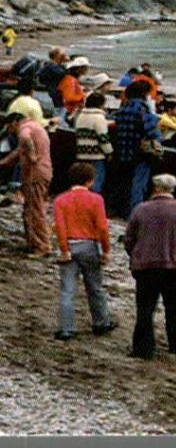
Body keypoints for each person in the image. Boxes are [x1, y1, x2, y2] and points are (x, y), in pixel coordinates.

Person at [123, 172, 176, 359]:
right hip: (174, 266)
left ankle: (143, 349)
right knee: (175, 305)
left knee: (145, 308)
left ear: (155, 188)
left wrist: (135, 255)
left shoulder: (141, 209)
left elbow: (129, 238)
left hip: (146, 265)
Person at [52, 162, 116, 341]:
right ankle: (101, 322)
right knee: (95, 287)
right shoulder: (96, 200)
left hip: (70, 245)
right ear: (90, 181)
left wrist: (64, 249)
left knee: (67, 290)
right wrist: (106, 250)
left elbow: (60, 227)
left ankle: (66, 328)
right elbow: (102, 227)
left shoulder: (61, 200)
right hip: (89, 246)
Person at [0, 109, 54, 255]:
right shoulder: (36, 127)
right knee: (33, 209)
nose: (10, 132)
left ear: (14, 122)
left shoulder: (25, 129)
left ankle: (42, 246)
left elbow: (24, 139)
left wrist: (31, 155)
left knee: (34, 211)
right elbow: (18, 152)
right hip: (42, 173)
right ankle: (35, 243)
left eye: (10, 127)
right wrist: (3, 162)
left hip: (34, 174)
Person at [108, 80, 161, 218]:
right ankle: (134, 214)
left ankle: (118, 209)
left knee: (123, 182)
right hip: (140, 152)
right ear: (144, 94)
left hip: (123, 150)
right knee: (139, 185)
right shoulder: (143, 110)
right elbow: (152, 132)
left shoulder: (123, 110)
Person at [71, 91, 113, 194]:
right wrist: (109, 152)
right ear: (100, 104)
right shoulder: (99, 117)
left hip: (82, 154)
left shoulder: (81, 116)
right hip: (96, 156)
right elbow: (103, 138)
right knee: (96, 183)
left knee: (83, 183)